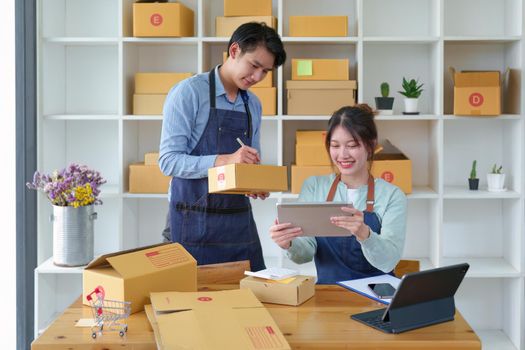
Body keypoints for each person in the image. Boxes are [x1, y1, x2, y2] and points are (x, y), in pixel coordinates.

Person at [159, 23, 286, 271]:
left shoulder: (253, 105)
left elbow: (244, 164)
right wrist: (224, 160)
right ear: (235, 50)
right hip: (191, 219)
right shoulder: (189, 93)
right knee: (193, 303)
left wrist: (252, 183)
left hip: (237, 221)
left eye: (265, 72)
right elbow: (168, 161)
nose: (257, 77)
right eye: (254, 66)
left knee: (248, 300)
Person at [269, 104, 407, 284]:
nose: (342, 155)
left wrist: (365, 234)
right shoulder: (314, 187)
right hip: (329, 295)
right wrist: (288, 243)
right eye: (335, 146)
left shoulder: (392, 195)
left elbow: (388, 261)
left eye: (352, 145)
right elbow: (306, 253)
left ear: (371, 145)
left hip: (377, 297)